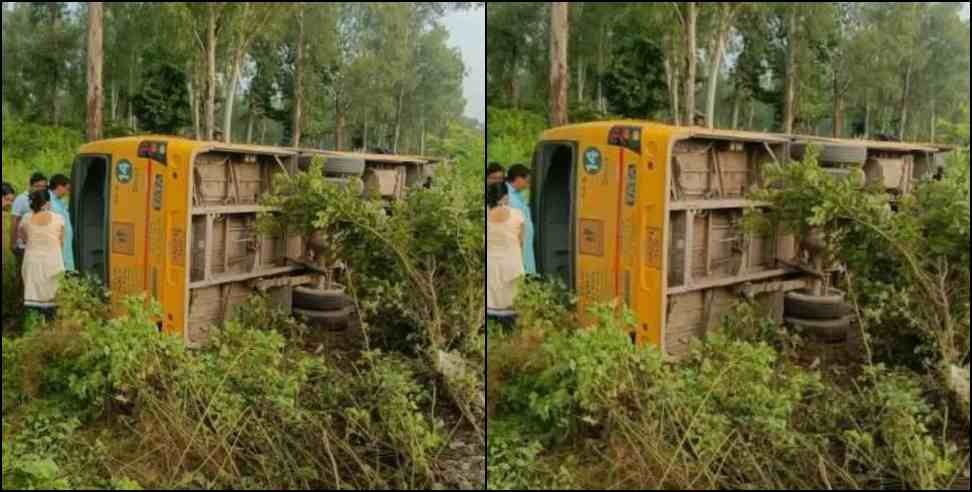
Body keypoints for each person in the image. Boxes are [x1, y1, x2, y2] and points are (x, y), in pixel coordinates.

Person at [19, 190, 65, 320]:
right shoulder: (58, 219)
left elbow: (23, 239)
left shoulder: (26, 218)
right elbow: (61, 242)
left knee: (32, 295)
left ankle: (31, 327)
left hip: (32, 261)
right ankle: (50, 331)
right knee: (52, 297)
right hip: (53, 262)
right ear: (48, 202)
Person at [486, 182, 524, 330]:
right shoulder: (517, 214)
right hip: (512, 265)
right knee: (511, 300)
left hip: (492, 265)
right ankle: (509, 333)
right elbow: (521, 242)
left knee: (493, 299)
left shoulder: (486, 215)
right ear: (505, 196)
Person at [11, 173, 48, 294]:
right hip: (22, 245)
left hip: (37, 246)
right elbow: (15, 222)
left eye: (43, 186)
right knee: (22, 274)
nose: (40, 189)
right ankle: (18, 302)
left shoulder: (45, 199)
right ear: (30, 186)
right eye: (38, 186)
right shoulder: (21, 199)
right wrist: (13, 242)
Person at [505, 164, 536, 275]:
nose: (527, 185)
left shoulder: (517, 195)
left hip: (524, 247)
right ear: (518, 178)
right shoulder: (506, 195)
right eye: (527, 181)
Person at [47, 174, 76, 272]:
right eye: (67, 189)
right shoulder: (48, 201)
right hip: (56, 247)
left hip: (64, 246)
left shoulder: (59, 201)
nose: (67, 192)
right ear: (59, 186)